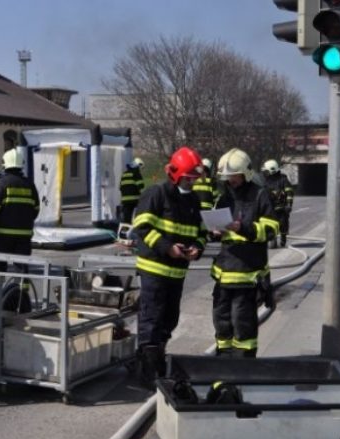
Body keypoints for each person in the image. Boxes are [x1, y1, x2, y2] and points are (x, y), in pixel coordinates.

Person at [131, 146, 206, 387]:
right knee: (151, 319)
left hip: (177, 272)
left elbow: (200, 232)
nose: (191, 183)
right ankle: (147, 373)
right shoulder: (156, 194)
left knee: (169, 319)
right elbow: (142, 228)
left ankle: (158, 362)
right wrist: (167, 247)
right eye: (187, 178)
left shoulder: (193, 200)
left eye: (194, 179)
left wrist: (197, 248)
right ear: (174, 173)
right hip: (154, 268)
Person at [211, 148, 278, 358]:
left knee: (243, 327)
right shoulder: (224, 198)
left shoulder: (260, 195)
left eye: (234, 176)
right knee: (222, 324)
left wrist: (243, 228)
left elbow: (271, 229)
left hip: (247, 275)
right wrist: (214, 232)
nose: (230, 181)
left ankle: (243, 368)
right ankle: (222, 364)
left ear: (246, 173)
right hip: (223, 274)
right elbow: (220, 231)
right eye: (227, 177)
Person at [0, 147, 39, 274]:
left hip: (2, 236)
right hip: (23, 236)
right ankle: (21, 292)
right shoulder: (29, 184)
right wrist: (24, 222)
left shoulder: (2, 184)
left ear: (5, 164)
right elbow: (36, 209)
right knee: (21, 268)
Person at [261, 159, 294, 248]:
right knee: (267, 223)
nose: (265, 173)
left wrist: (289, 205)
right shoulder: (266, 181)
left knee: (283, 223)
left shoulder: (283, 179)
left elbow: (289, 192)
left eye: (267, 171)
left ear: (272, 170)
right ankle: (271, 238)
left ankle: (283, 238)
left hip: (281, 207)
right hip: (269, 207)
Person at [119, 157, 145, 224]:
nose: (140, 169)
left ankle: (125, 230)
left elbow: (120, 187)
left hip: (125, 201)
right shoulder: (136, 173)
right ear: (137, 166)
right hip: (134, 200)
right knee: (136, 217)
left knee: (127, 219)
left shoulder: (124, 174)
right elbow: (141, 186)